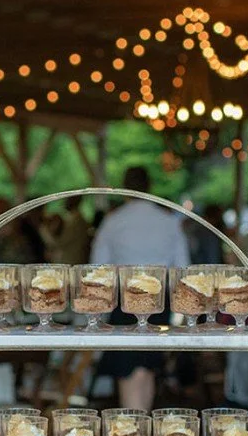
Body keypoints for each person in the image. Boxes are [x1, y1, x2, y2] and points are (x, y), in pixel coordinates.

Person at [90, 166, 190, 409]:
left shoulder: (113, 222)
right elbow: (183, 269)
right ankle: (140, 429)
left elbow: (97, 268)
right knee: (147, 367)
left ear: (124, 187)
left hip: (125, 299)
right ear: (149, 187)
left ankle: (135, 433)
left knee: (128, 370)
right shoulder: (168, 222)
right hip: (159, 300)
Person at [50, 195, 92, 265]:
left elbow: (62, 242)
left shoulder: (76, 221)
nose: (64, 203)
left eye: (67, 200)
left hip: (72, 262)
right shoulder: (74, 219)